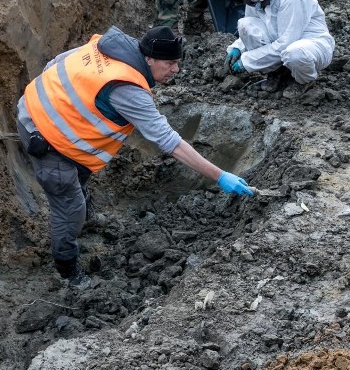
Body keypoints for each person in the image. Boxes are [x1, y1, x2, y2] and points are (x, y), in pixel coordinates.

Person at [15, 26, 253, 287]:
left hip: (35, 104)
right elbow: (168, 141)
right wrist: (219, 176)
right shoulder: (127, 89)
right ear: (149, 59)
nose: (176, 70)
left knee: (79, 172)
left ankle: (88, 216)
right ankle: (67, 270)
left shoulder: (110, 47)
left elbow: (55, 64)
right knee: (69, 207)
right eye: (170, 63)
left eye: (178, 62)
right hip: (44, 136)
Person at [222, 0, 335, 99]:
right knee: (245, 25)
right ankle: (277, 72)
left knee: (294, 53)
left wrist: (247, 61)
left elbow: (286, 43)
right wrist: (237, 47)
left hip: (310, 46)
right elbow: (254, 27)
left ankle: (304, 80)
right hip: (283, 44)